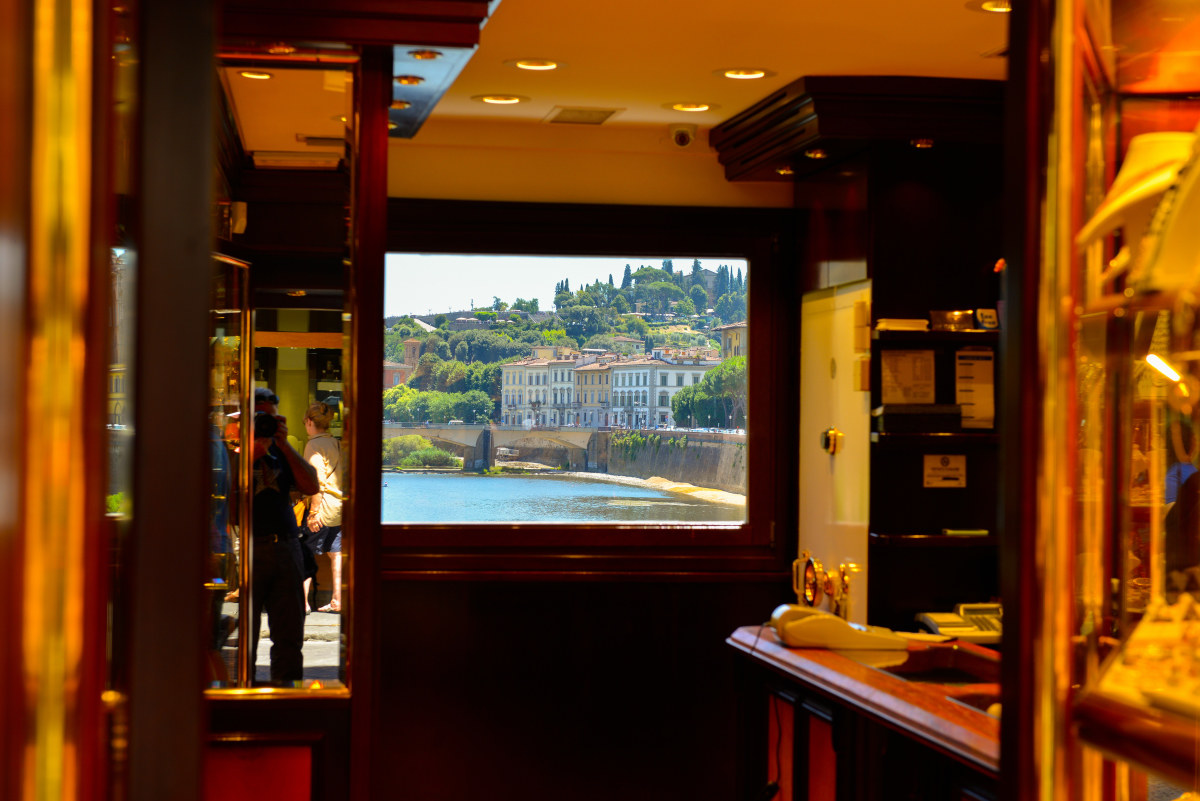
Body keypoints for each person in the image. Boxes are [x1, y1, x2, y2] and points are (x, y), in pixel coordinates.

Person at [250, 387, 319, 685]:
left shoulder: (283, 451)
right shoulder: (234, 450)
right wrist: (250, 450)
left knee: (290, 636)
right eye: (261, 418)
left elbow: (312, 486)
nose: (266, 425)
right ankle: (243, 694)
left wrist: (284, 445)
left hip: (286, 548)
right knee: (245, 640)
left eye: (272, 419)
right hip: (250, 550)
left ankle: (286, 697)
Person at [302, 401, 345, 614]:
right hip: (338, 507)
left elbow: (316, 481)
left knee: (305, 553)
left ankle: (303, 603)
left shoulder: (313, 445)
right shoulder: (336, 443)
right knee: (336, 554)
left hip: (322, 507)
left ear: (309, 422)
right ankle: (337, 600)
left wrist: (313, 512)